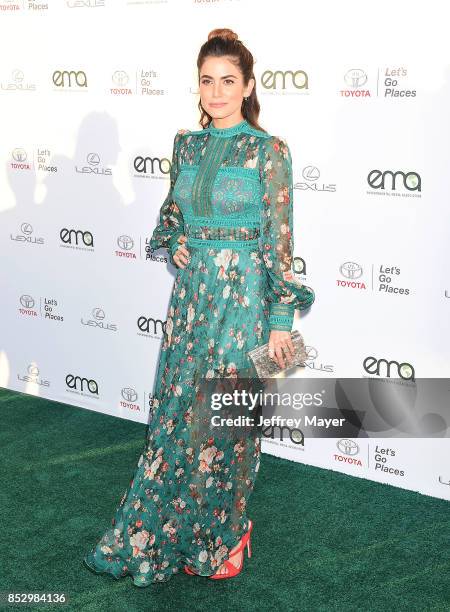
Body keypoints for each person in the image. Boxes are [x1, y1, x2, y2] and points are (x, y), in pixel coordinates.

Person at [83, 27, 315, 586]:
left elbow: (279, 242)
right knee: (172, 423)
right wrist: (173, 240)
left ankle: (224, 537)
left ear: (248, 85)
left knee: (226, 429)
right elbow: (169, 216)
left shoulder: (270, 152)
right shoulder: (185, 145)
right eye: (207, 81)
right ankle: (160, 537)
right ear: (198, 86)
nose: (216, 92)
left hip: (243, 307)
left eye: (228, 81)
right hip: (189, 306)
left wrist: (281, 321)